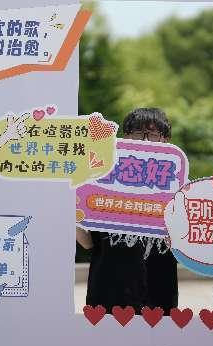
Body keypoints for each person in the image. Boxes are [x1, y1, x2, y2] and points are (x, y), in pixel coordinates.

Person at [76, 108, 178, 314]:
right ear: (125, 137)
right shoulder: (102, 181)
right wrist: (72, 211)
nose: (145, 141)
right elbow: (88, 242)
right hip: (107, 295)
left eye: (153, 134)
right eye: (138, 133)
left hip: (158, 296)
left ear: (166, 139)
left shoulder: (179, 185)